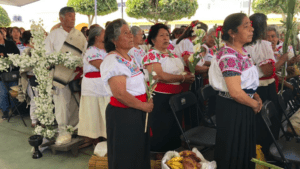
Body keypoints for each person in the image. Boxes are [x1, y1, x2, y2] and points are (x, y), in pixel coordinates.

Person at [209, 13, 261, 169]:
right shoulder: (228, 55)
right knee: (233, 149)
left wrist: (256, 96)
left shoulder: (242, 53)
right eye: (246, 26)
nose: (251, 29)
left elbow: (247, 82)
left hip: (244, 104)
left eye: (250, 24)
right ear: (232, 32)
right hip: (234, 107)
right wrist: (254, 104)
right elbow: (235, 92)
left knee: (243, 147)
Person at [100, 19, 153, 169]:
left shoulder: (129, 58)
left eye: (130, 32)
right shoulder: (113, 61)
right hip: (124, 115)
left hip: (136, 111)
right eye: (125, 33)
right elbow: (120, 94)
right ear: (114, 40)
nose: (130, 36)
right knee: (126, 155)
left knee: (137, 152)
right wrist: (143, 106)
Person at [142, 23, 195, 152]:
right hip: (160, 97)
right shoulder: (152, 54)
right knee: (161, 126)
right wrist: (183, 78)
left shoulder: (171, 53)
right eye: (161, 35)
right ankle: (159, 153)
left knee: (173, 125)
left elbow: (177, 71)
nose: (166, 38)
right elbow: (159, 76)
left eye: (167, 35)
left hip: (175, 95)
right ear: (153, 39)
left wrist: (186, 75)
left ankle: (173, 150)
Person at [245, 13, 287, 156]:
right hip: (259, 88)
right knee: (263, 122)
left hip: (264, 87)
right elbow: (268, 69)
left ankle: (266, 150)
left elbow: (269, 69)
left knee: (267, 120)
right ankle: (262, 153)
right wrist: (282, 61)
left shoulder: (261, 44)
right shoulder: (255, 45)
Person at [45, 6, 87, 127]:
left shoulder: (79, 35)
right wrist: (61, 59)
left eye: (74, 16)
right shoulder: (53, 35)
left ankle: (74, 129)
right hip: (60, 75)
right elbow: (46, 53)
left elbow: (86, 54)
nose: (73, 19)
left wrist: (79, 65)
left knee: (75, 104)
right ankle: (62, 130)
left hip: (75, 75)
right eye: (69, 16)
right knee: (61, 105)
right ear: (61, 18)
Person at [78, 26, 109, 148]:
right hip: (92, 86)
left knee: (104, 110)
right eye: (103, 33)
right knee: (93, 112)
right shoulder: (91, 50)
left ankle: (105, 135)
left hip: (104, 84)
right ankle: (94, 137)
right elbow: (101, 65)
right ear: (96, 36)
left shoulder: (106, 49)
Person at [0, 30, 20, 119]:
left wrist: (5, 56)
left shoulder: (10, 43)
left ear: (2, 34)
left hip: (12, 72)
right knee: (3, 93)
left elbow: (17, 54)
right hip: (1, 75)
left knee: (14, 92)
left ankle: (15, 110)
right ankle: (5, 111)